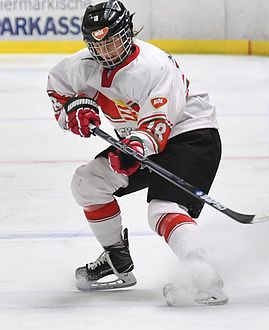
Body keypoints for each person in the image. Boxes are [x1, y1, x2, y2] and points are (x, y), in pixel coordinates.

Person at [46, 0, 228, 306]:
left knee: (163, 208)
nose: (105, 53)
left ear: (127, 34)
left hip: (190, 136)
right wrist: (73, 111)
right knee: (87, 183)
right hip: (137, 142)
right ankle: (117, 260)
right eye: (97, 46)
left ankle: (206, 276)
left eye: (113, 42)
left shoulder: (153, 66)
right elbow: (58, 89)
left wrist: (133, 149)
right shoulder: (82, 67)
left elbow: (157, 126)